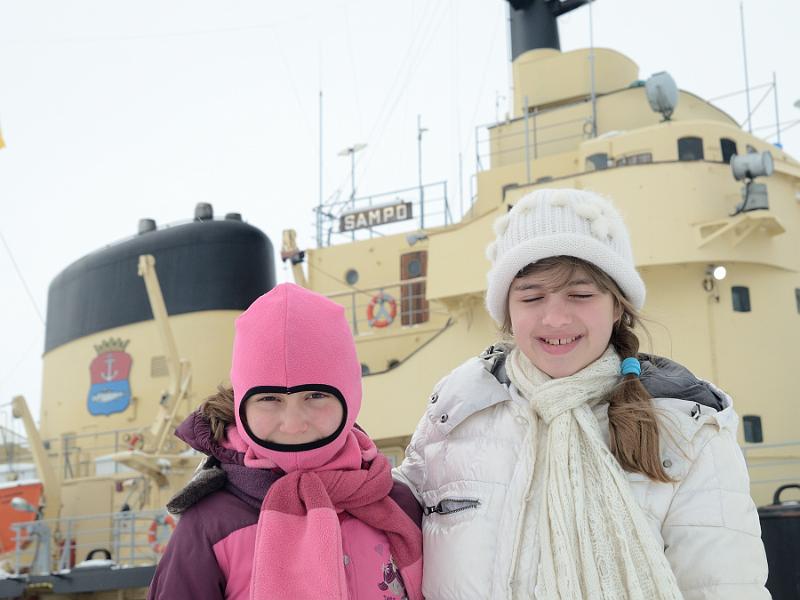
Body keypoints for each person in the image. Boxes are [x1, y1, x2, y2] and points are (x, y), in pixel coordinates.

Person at [394, 188, 769, 599]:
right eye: (532, 296)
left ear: (616, 307)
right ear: (508, 311)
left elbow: (725, 587)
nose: (555, 317)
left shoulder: (686, 427)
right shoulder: (455, 413)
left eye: (581, 294)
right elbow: (385, 538)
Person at [148, 283, 423, 600]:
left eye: (316, 395)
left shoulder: (397, 502)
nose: (293, 424)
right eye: (269, 398)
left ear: (350, 396)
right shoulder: (210, 526)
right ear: (243, 406)